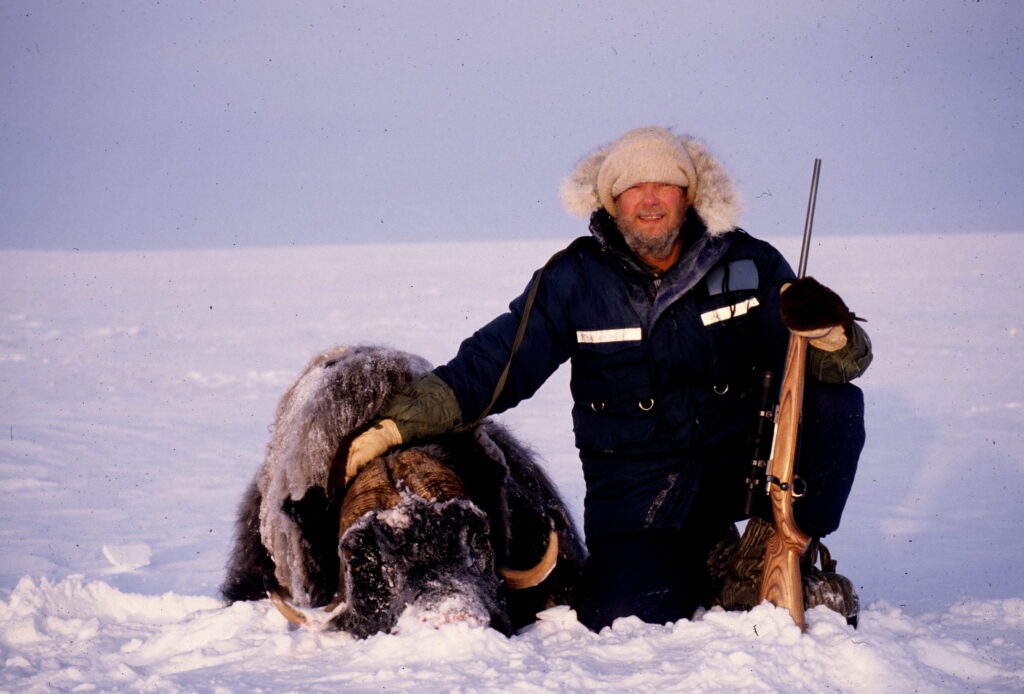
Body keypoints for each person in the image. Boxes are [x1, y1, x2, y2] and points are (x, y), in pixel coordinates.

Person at [344, 126, 871, 630]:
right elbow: (491, 365)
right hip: (639, 492)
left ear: (689, 194)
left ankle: (777, 548)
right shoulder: (571, 279)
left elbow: (830, 367)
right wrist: (395, 427)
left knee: (835, 404)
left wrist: (831, 333)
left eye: (664, 184)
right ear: (610, 201)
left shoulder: (750, 263)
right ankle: (712, 562)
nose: (649, 200)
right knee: (623, 619)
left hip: (741, 467)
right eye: (631, 188)